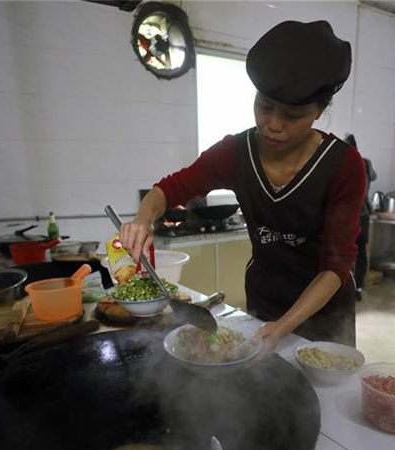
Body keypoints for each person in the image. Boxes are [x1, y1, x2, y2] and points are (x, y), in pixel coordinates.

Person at [120, 20, 366, 355]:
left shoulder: (343, 165)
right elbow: (169, 189)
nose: (273, 125)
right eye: (264, 106)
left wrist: (283, 326)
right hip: (265, 296)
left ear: (319, 111)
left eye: (292, 115)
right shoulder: (235, 152)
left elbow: (336, 265)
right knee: (262, 387)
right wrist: (143, 219)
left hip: (323, 309)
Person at [343, 134, 377, 300]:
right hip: (363, 215)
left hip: (348, 216)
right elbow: (374, 177)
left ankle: (348, 288)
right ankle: (358, 287)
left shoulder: (343, 162)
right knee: (360, 252)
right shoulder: (366, 163)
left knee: (345, 253)